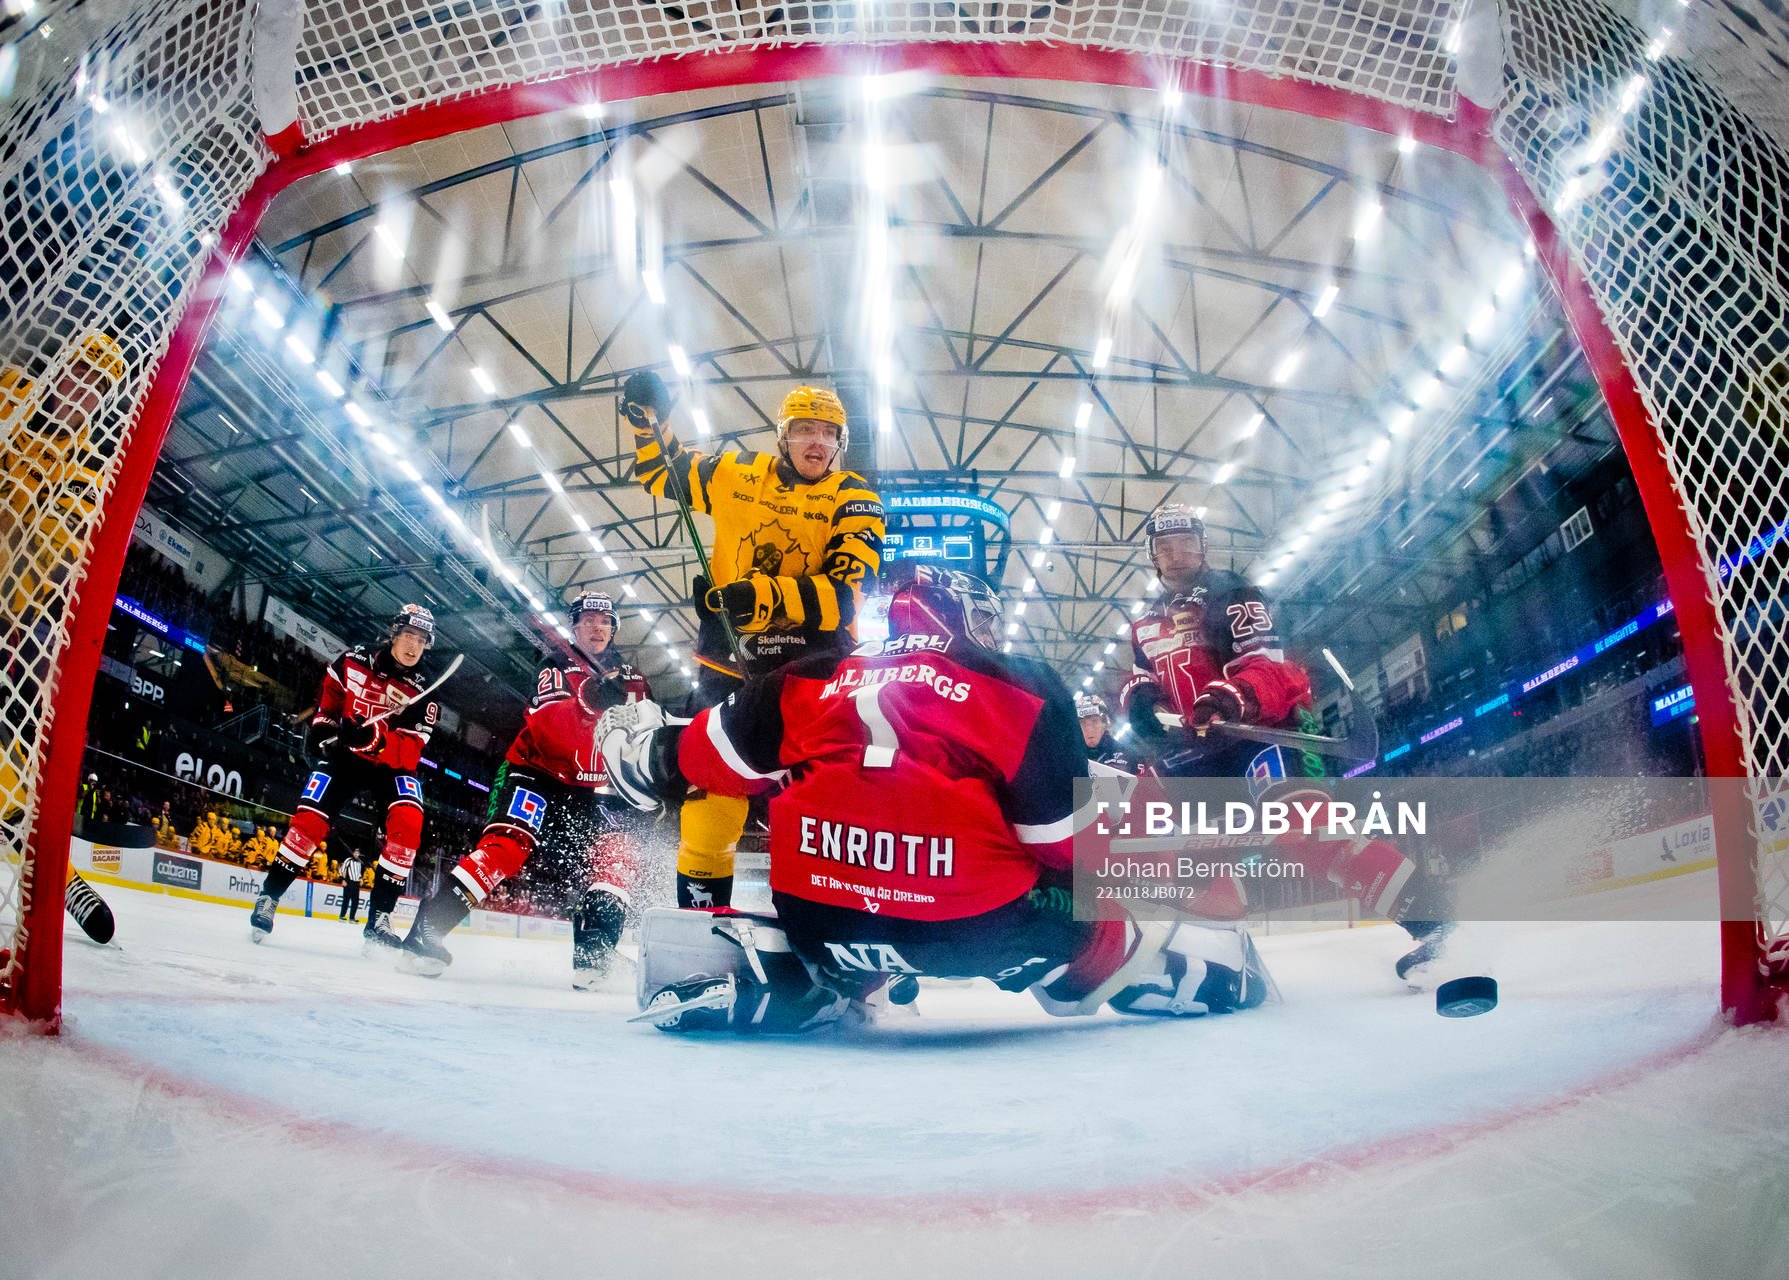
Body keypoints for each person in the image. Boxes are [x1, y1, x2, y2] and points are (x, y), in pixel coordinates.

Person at [596, 562, 1273, 1034]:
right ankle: (1197, 973)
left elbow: (684, 764)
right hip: (979, 932)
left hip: (824, 921)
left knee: (829, 897)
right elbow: (1062, 847)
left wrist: (635, 744)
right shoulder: (1021, 685)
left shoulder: (804, 678)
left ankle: (800, 980)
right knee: (1087, 916)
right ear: (966, 617)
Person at [1117, 502, 1451, 979]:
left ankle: (1437, 924)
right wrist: (1141, 701)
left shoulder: (1232, 595)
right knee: (1185, 859)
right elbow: (1140, 676)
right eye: (1164, 546)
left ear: (1204, 546)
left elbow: (1270, 667)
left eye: (1186, 543)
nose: (1176, 554)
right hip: (1196, 758)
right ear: (1152, 555)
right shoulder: (1145, 622)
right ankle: (1215, 959)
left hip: (1263, 737)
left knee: (1314, 835)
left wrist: (1226, 699)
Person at [624, 373, 885, 912]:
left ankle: (827, 929)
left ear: (841, 444)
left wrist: (760, 596)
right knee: (711, 803)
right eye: (806, 430)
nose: (818, 443)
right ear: (782, 434)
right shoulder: (735, 472)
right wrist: (648, 421)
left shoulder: (856, 498)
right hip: (727, 665)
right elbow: (659, 470)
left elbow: (844, 597)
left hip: (814, 672)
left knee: (822, 808)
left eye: (829, 433)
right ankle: (700, 921)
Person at [399, 590, 651, 988]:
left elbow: (645, 738)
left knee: (616, 856)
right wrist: (593, 698)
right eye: (589, 619)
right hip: (534, 773)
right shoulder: (557, 666)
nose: (598, 627)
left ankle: (593, 957)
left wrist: (653, 781)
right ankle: (423, 936)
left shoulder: (633, 679)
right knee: (505, 850)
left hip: (590, 789)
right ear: (575, 625)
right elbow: (550, 729)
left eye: (606, 621)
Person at [248, 604, 442, 952]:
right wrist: (323, 728)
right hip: (345, 759)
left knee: (409, 823)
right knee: (307, 822)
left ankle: (380, 917)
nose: (415, 646)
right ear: (394, 633)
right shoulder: (355, 657)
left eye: (422, 640)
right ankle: (269, 897)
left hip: (391, 766)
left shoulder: (426, 687)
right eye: (410, 635)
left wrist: (375, 740)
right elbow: (331, 699)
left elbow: (412, 749)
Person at [1074, 693, 1131, 772]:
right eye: (1083, 723)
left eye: (1095, 721)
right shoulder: (1072, 757)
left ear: (1104, 724)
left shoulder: (1125, 753)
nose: (1089, 729)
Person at [338, 851, 364, 923]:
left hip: (356, 884)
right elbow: (342, 870)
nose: (356, 854)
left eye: (357, 853)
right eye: (355, 853)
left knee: (355, 901)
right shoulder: (348, 860)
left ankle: (352, 918)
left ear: (359, 854)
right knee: (346, 900)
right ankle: (342, 916)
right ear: (353, 853)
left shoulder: (359, 862)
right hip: (348, 882)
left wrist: (361, 878)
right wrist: (343, 879)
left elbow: (358, 873)